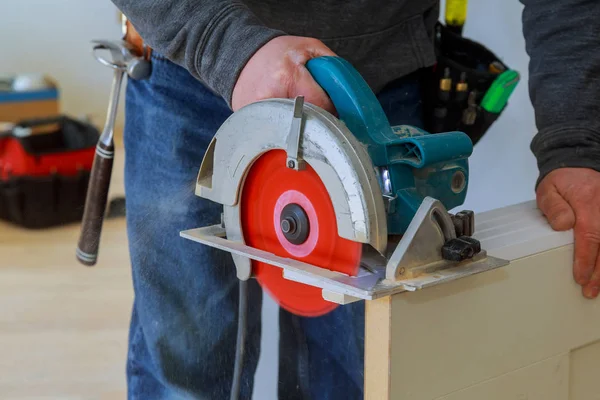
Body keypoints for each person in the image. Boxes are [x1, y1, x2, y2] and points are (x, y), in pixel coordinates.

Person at [110, 0, 600, 398]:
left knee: (355, 374)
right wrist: (224, 44)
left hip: (378, 75)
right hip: (186, 55)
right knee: (185, 362)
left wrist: (576, 142)